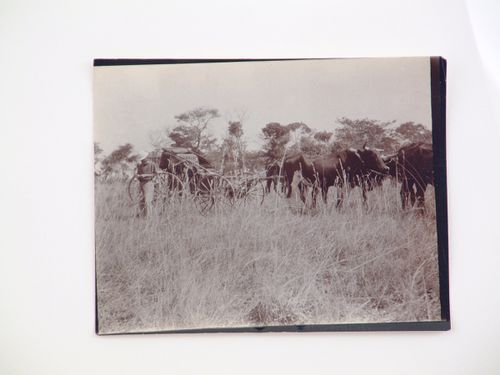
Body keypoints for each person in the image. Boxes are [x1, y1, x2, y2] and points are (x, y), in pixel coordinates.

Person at [136, 151, 157, 217]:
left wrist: (146, 175)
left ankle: (149, 217)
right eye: (142, 160)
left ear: (147, 158)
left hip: (149, 183)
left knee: (147, 200)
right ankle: (143, 215)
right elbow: (138, 174)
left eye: (144, 159)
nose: (143, 161)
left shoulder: (152, 164)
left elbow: (155, 174)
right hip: (141, 183)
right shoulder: (140, 165)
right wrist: (138, 176)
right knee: (141, 200)